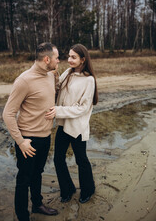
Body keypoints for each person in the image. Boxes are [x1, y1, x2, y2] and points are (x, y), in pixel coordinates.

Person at [3, 43, 59, 221]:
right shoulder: (24, 80)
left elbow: (50, 93)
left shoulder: (51, 75)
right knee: (23, 180)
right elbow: (8, 114)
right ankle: (22, 216)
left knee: (38, 174)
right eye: (57, 58)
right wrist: (20, 141)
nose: (59, 60)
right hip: (28, 140)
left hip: (45, 137)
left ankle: (37, 204)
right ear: (47, 59)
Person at [45, 43, 98, 204]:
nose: (69, 60)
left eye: (73, 57)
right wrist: (52, 76)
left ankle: (88, 189)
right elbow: (57, 87)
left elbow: (83, 108)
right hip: (63, 125)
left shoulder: (89, 80)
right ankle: (67, 189)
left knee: (81, 160)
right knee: (58, 159)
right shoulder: (68, 72)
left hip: (78, 128)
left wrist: (58, 111)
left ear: (83, 59)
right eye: (68, 56)